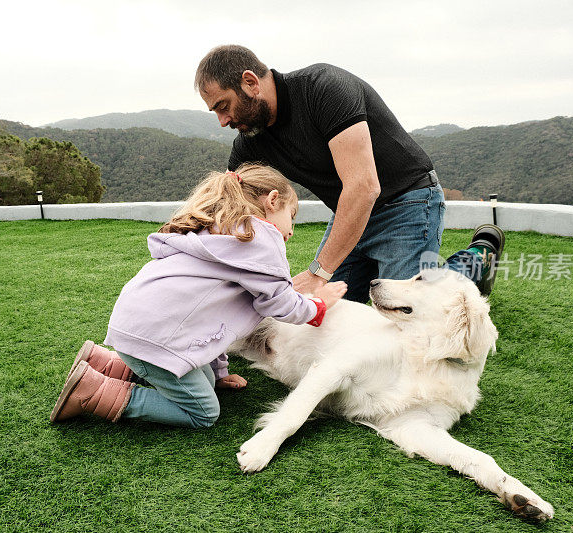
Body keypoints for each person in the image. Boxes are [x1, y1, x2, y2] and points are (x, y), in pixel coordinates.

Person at [195, 45, 505, 301]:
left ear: (250, 82)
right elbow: (221, 205)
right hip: (350, 214)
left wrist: (319, 271)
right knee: (323, 311)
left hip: (407, 203)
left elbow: (364, 186)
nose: (223, 120)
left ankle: (477, 260)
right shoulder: (250, 141)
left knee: (406, 307)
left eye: (224, 106)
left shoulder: (324, 88)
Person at [50, 163, 348, 428]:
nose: (292, 230)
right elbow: (281, 304)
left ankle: (105, 363)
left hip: (135, 326)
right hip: (155, 337)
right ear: (272, 201)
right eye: (291, 216)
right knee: (203, 412)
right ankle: (92, 391)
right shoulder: (259, 240)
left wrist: (218, 373)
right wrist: (318, 306)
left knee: (203, 381)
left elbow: (214, 318)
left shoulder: (215, 230)